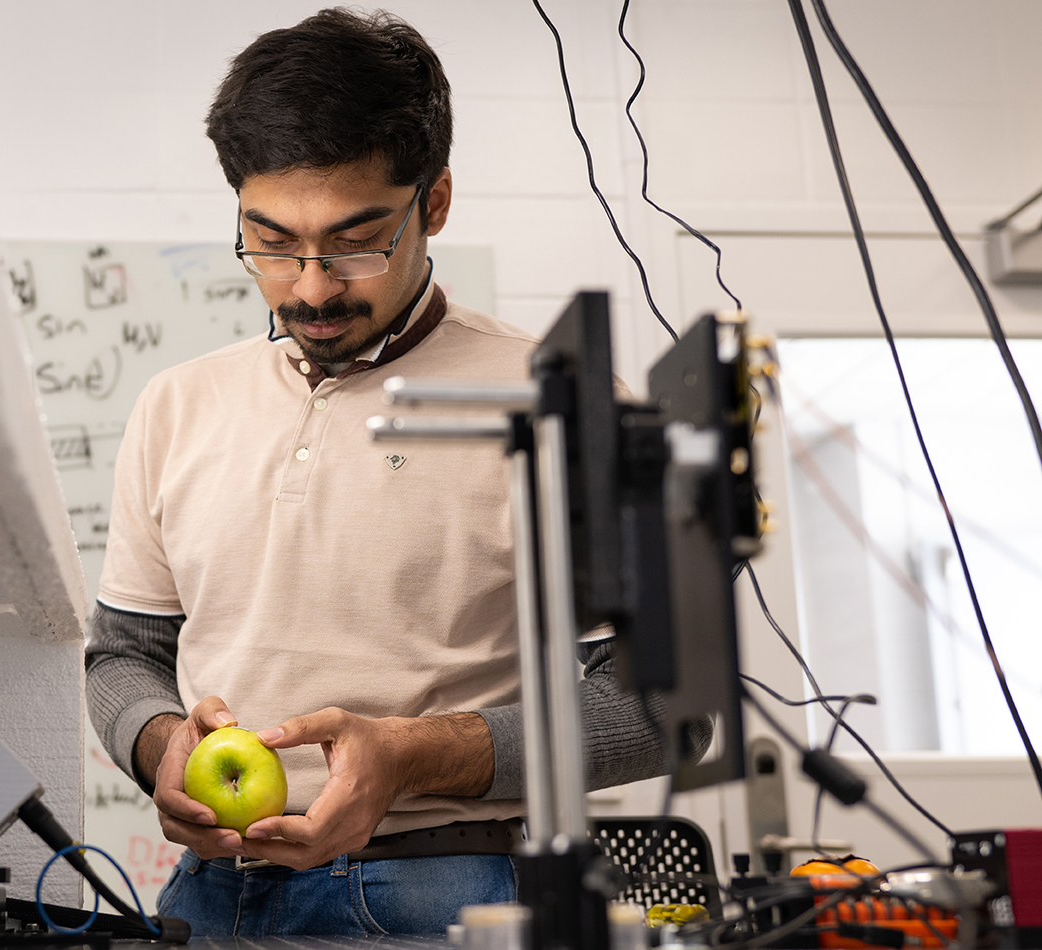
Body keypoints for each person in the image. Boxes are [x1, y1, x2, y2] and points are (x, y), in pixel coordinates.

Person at [84, 8, 692, 937]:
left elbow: (666, 706)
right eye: (272, 240)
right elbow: (124, 658)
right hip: (206, 900)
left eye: (358, 240)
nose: (313, 285)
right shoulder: (177, 404)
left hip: (443, 896)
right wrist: (161, 745)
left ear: (434, 202)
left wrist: (414, 757)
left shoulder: (557, 399)